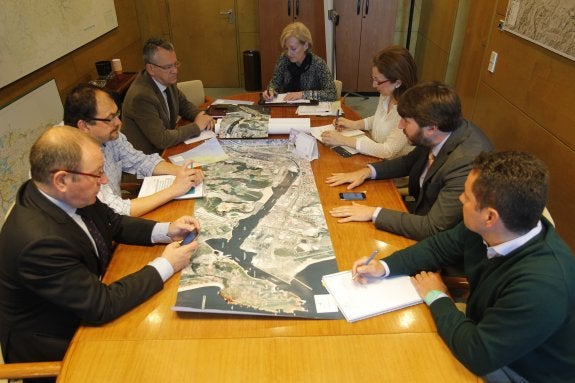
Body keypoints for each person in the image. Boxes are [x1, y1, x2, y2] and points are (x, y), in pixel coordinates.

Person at [351, 151, 575, 382]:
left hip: (521, 370)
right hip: (487, 331)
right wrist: (384, 266)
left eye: (467, 197)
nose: (460, 200)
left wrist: (437, 296)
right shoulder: (497, 227)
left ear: (490, 217)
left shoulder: (542, 286)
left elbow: (479, 354)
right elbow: (438, 247)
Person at [0, 126, 200, 375]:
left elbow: (113, 222)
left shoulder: (66, 194)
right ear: (61, 180)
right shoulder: (37, 242)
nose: (104, 181)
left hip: (86, 298)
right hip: (60, 341)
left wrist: (167, 229)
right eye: (97, 174)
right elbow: (101, 305)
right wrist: (167, 264)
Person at [327, 82, 494, 240]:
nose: (400, 126)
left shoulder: (465, 163)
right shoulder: (439, 131)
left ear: (431, 128)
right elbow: (408, 162)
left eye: (406, 121)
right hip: (420, 213)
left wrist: (373, 213)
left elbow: (432, 227)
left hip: (439, 237)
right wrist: (367, 171)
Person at [64, 83, 204, 217]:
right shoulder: (73, 160)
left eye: (117, 114)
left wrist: (185, 173)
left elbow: (140, 161)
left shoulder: (109, 135)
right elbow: (116, 211)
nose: (118, 122)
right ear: (84, 126)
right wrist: (174, 190)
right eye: (110, 118)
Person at [122, 37, 215, 154]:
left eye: (175, 64)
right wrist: (197, 126)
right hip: (149, 158)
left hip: (167, 147)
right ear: (151, 69)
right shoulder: (141, 97)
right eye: (168, 67)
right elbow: (162, 139)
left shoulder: (165, 79)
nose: (175, 71)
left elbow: (183, 105)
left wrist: (200, 114)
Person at [321, 46, 417, 159]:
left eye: (378, 81)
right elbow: (378, 119)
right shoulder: (387, 94)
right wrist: (353, 124)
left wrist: (344, 140)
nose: (374, 85)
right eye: (373, 78)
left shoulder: (410, 111)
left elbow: (388, 151)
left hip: (392, 169)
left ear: (398, 82)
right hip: (374, 152)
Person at [262, 22, 337, 102]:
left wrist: (302, 94)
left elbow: (331, 93)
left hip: (310, 111)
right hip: (286, 106)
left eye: (293, 49)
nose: (288, 53)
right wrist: (270, 91)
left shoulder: (318, 64)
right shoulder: (283, 59)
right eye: (286, 48)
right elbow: (274, 82)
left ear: (305, 46)